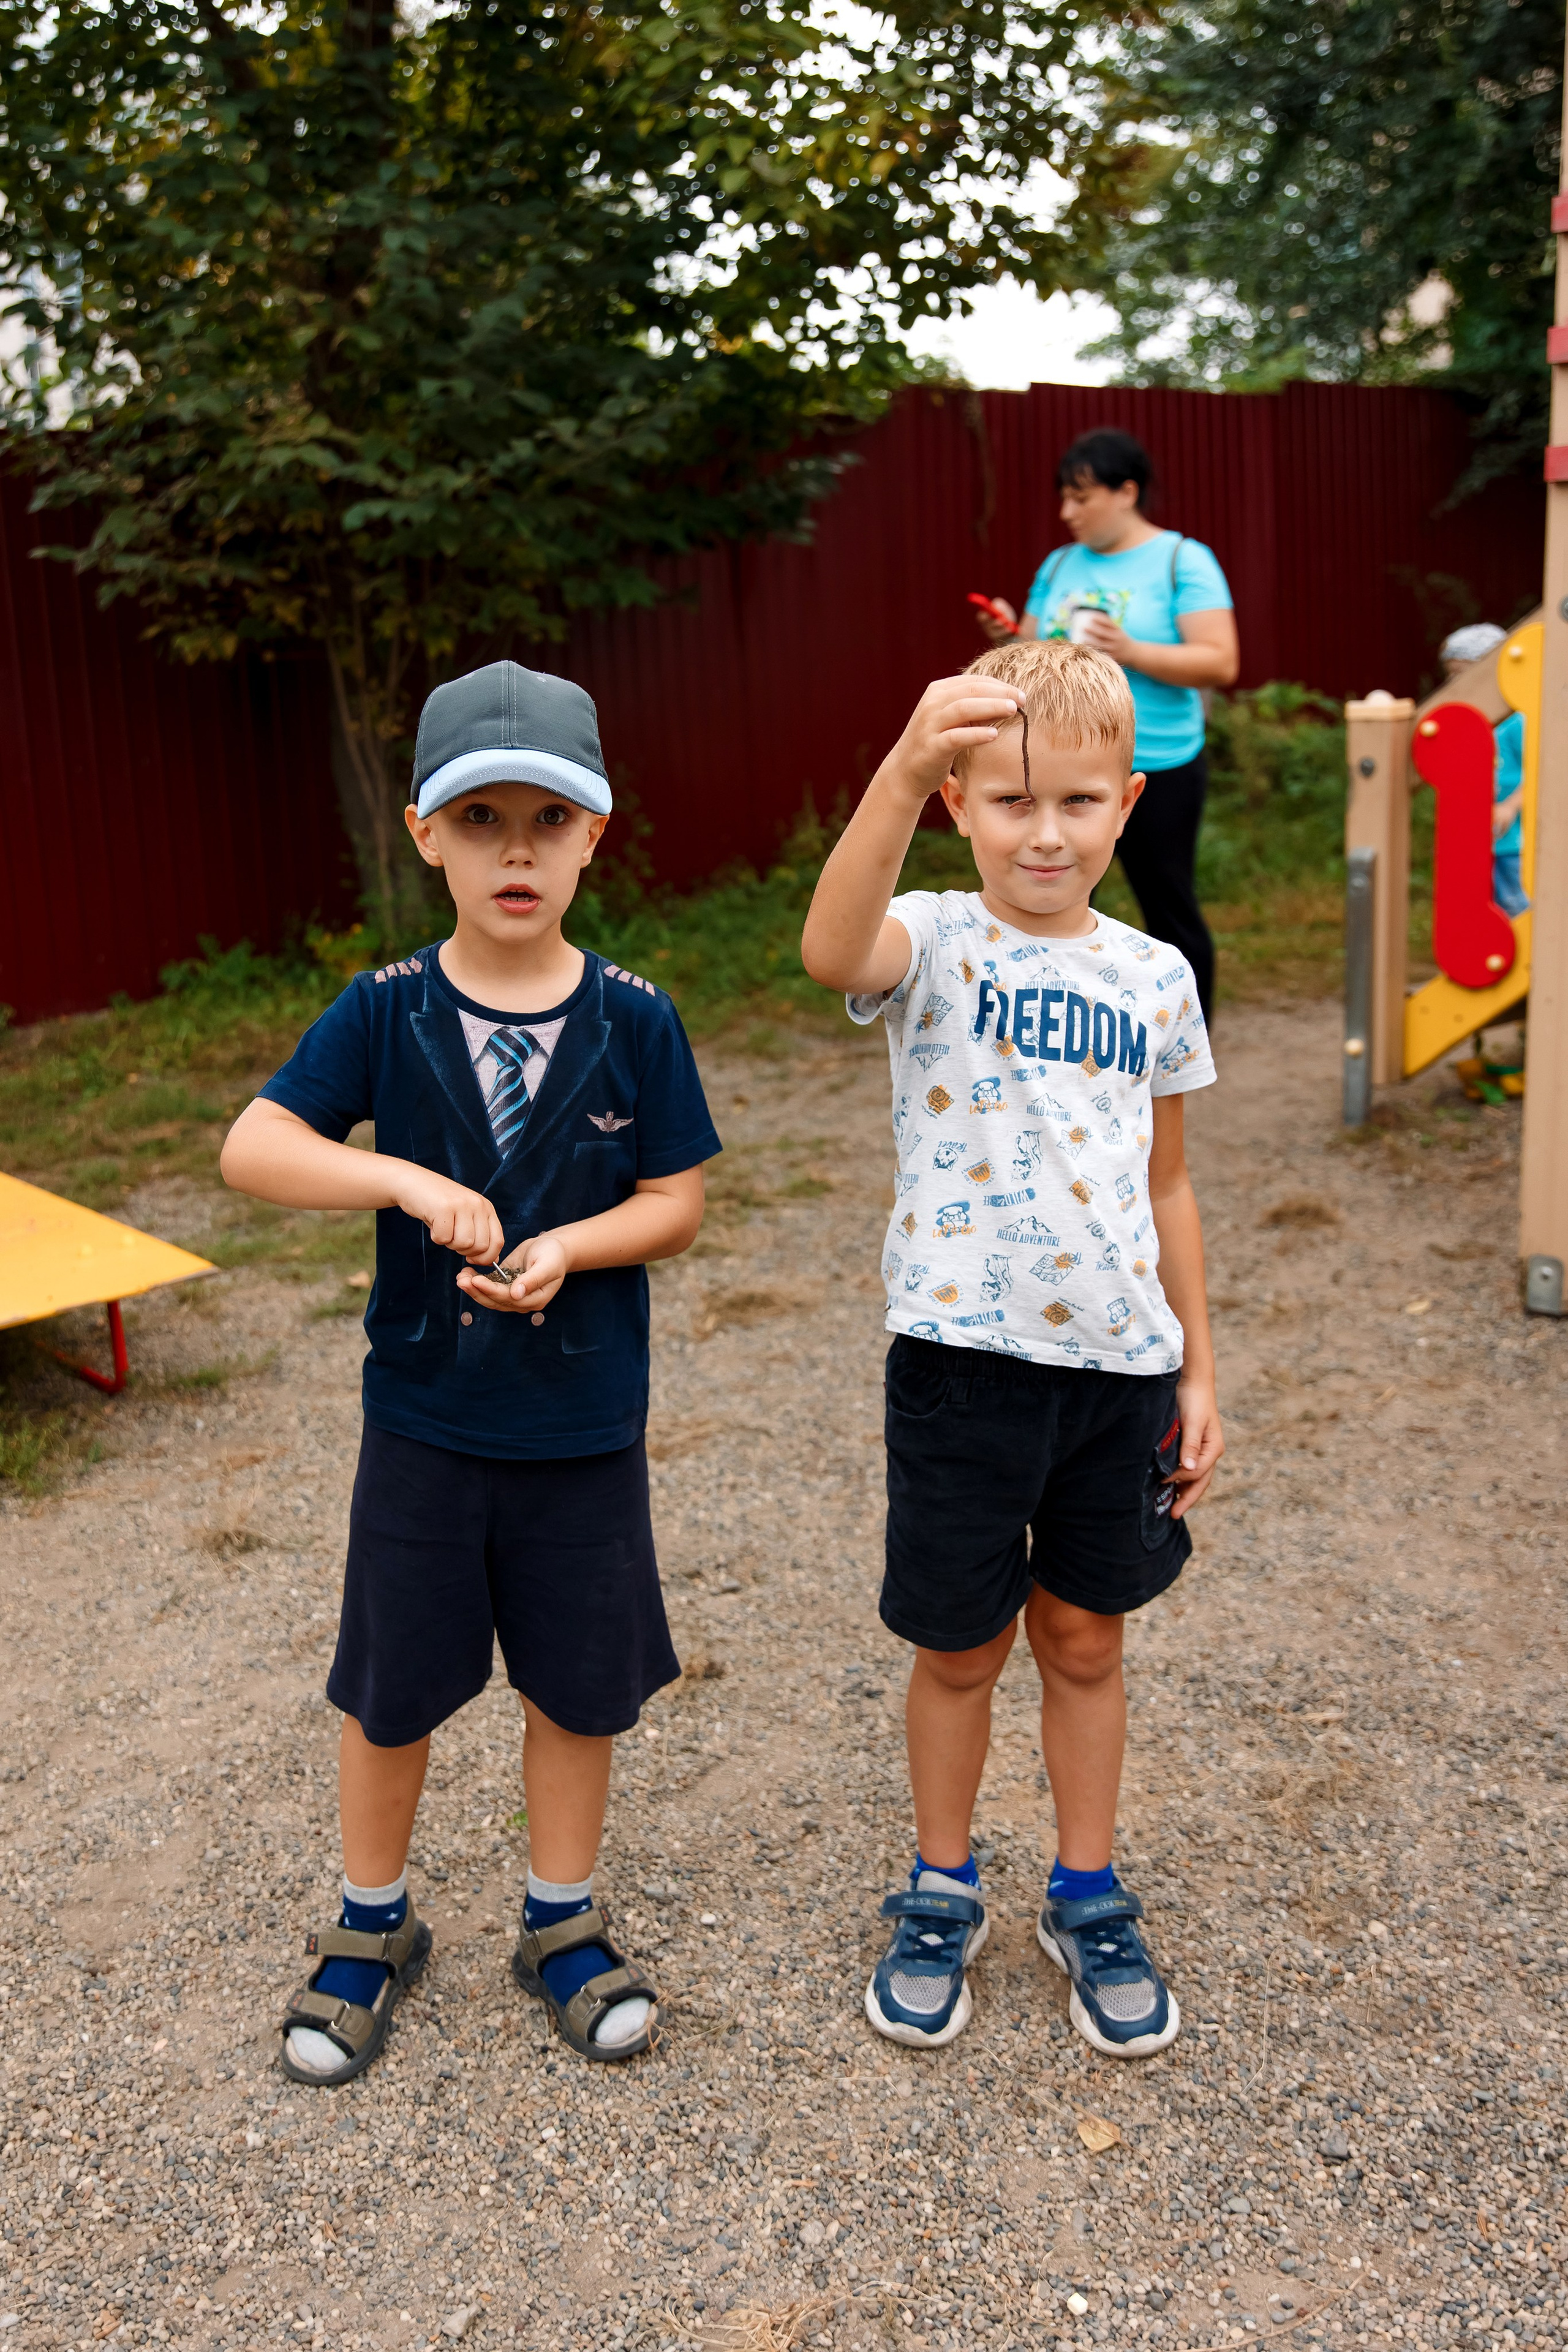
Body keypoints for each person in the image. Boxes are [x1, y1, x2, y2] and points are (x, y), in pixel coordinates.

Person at [220, 660, 722, 2082]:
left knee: (577, 1687)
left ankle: (559, 1920)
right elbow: (252, 1148)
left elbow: (676, 1202)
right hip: (426, 1425)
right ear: (426, 835)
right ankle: (371, 1922)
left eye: (546, 819)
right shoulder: (383, 1010)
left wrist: (576, 1241)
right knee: (390, 1686)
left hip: (579, 1427)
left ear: (593, 836)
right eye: (481, 816)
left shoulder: (636, 1015)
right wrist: (391, 1175)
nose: (516, 848)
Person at [800, 638, 1224, 2057]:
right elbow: (824, 947)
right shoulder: (926, 938)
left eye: (1080, 803)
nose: (1044, 833)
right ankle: (939, 1886)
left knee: (1085, 1636)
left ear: (1127, 799)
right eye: (1008, 802)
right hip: (959, 1370)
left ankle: (1086, 1888)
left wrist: (1198, 1368)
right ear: (959, 805)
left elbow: (1166, 1184)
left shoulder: (1156, 974)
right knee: (963, 1645)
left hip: (1117, 1376)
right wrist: (900, 764)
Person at [976, 428, 1238, 1024]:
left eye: (1081, 497)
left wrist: (1130, 649)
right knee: (1054, 903)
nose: (1066, 513)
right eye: (1063, 498)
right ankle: (1057, 1031)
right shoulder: (1060, 563)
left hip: (1160, 763)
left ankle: (1183, 1043)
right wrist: (1011, 637)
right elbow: (1040, 649)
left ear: (1126, 492)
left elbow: (1220, 661)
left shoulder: (1182, 559)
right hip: (1061, 764)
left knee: (1167, 905)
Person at [1439, 622, 1529, 918]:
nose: (1455, 685)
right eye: (1451, 675)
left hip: (1512, 840)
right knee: (1479, 905)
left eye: (1463, 676)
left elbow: (1540, 773)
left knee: (1516, 903)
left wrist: (1509, 807)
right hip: (1475, 836)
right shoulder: (1465, 722)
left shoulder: (1514, 722)